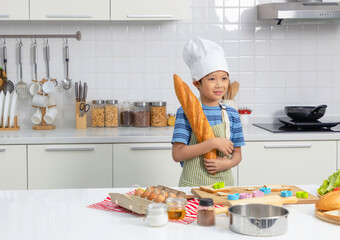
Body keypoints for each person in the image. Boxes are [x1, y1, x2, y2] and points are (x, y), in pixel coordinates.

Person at [171, 37, 245, 187]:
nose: (219, 85)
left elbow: (237, 153)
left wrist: (228, 163)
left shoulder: (231, 114)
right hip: (192, 187)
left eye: (224, 78)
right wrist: (212, 143)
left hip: (225, 187)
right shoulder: (185, 112)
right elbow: (177, 154)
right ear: (197, 83)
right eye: (212, 79)